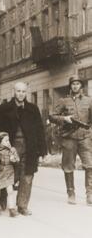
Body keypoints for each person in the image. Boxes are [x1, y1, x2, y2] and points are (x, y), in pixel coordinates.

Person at [0, 82, 47, 215]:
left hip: (29, 146)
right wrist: (0, 147)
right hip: (10, 146)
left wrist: (42, 151)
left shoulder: (33, 109)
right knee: (7, 173)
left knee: (27, 175)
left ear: (26, 92)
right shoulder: (4, 108)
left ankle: (22, 205)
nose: (21, 94)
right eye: (18, 91)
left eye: (23, 91)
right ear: (14, 91)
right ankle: (3, 197)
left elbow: (40, 129)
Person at [49, 75, 92, 206]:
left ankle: (90, 194)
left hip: (85, 138)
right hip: (69, 138)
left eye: (78, 84)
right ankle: (71, 193)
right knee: (68, 167)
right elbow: (52, 116)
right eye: (73, 84)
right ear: (70, 86)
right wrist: (64, 119)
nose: (75, 86)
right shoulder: (63, 101)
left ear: (81, 86)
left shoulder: (89, 101)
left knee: (90, 165)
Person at [0, 132, 20, 217]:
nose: (8, 142)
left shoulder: (12, 150)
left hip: (9, 172)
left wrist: (13, 159)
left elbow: (17, 160)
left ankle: (11, 209)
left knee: (10, 191)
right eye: (6, 141)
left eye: (8, 140)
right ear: (0, 142)